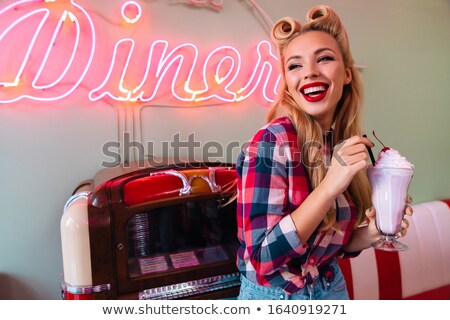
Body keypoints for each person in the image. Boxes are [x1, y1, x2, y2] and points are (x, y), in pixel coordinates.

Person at [235, 5, 413, 300]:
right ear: (288, 86)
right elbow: (263, 258)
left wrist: (371, 234)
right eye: (295, 65)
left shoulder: (341, 143)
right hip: (277, 298)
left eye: (324, 58)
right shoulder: (270, 143)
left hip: (332, 289)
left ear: (345, 74)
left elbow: (332, 246)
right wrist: (330, 185)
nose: (310, 72)